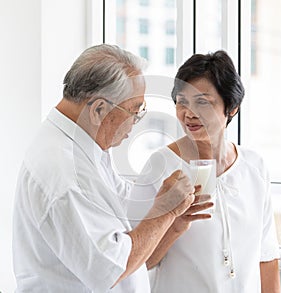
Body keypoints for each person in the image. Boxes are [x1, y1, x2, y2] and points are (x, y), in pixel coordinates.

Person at [12, 44, 210, 292]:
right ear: (98, 109)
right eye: (135, 111)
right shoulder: (66, 173)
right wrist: (164, 211)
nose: (137, 122)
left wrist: (171, 205)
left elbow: (121, 201)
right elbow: (110, 268)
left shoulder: (85, 144)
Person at [129, 50, 281, 292]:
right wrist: (174, 224)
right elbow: (136, 262)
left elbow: (267, 256)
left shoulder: (255, 167)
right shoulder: (160, 166)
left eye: (202, 102)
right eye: (182, 102)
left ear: (232, 107)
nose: (189, 113)